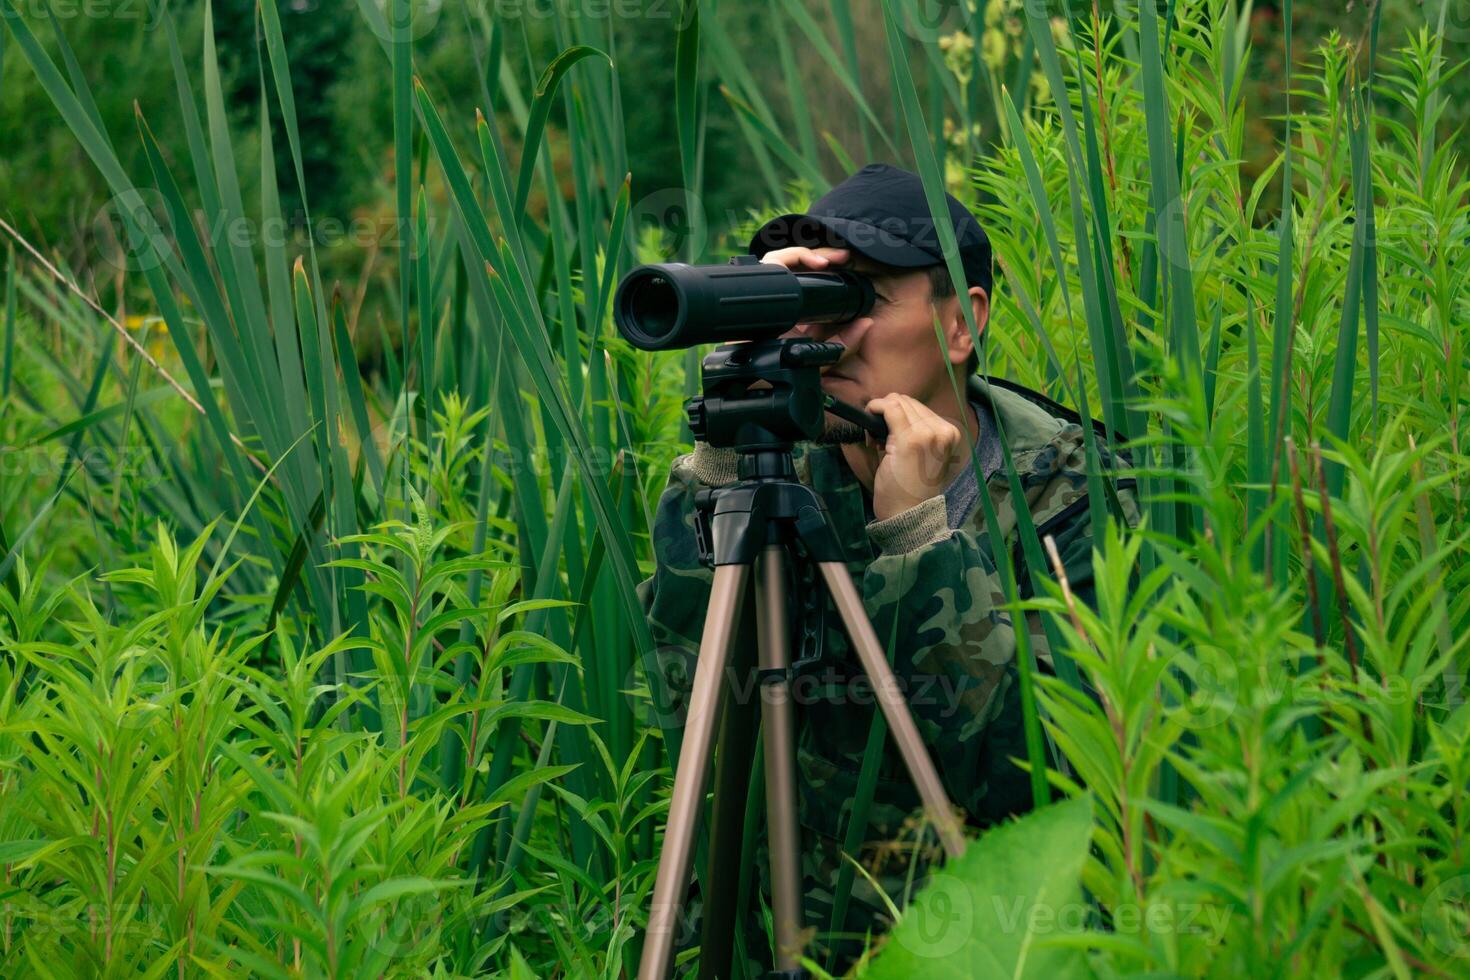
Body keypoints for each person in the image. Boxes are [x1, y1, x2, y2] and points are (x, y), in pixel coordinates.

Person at [635, 162, 1137, 971]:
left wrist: (917, 538)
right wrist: (722, 457)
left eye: (860, 296)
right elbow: (681, 704)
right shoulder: (780, 481)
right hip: (779, 942)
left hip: (976, 951)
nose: (826, 331)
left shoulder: (1075, 495)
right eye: (812, 296)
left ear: (962, 325)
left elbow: (1039, 777)